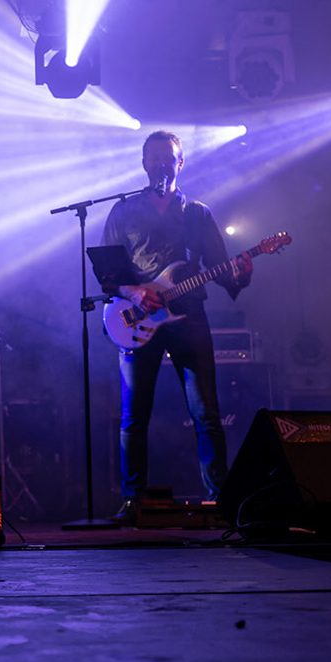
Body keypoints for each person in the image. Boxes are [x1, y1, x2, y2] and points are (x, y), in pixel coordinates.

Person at [102, 130, 251, 523]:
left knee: (207, 413)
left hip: (189, 318)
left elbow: (223, 272)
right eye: (154, 158)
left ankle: (219, 500)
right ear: (143, 164)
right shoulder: (123, 211)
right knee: (134, 416)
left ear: (180, 163)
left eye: (168, 158)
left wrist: (242, 272)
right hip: (137, 320)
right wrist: (135, 293)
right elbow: (108, 274)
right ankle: (132, 501)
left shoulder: (198, 214)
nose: (161, 165)